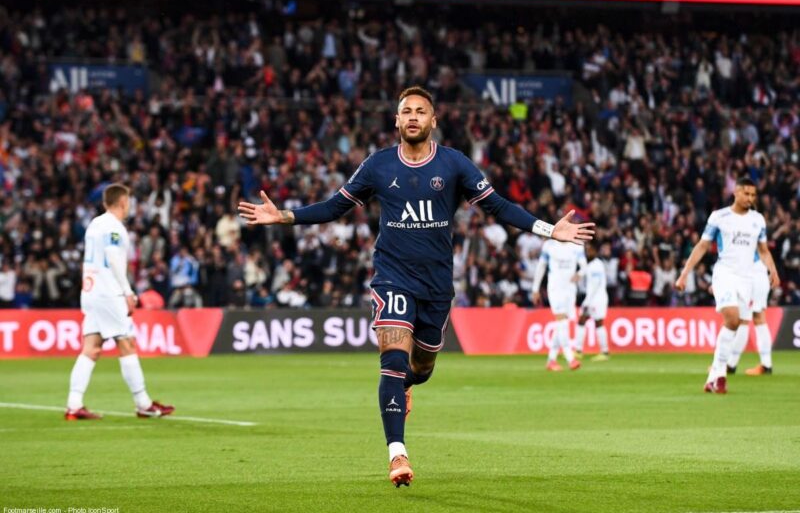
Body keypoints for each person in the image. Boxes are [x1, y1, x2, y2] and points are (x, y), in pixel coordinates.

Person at [238, 86, 595, 487]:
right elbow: (333, 207)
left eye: (420, 111)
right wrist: (283, 216)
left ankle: (406, 387)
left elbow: (499, 207)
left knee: (420, 370)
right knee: (392, 361)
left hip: (437, 286)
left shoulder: (455, 165)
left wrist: (549, 229)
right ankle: (397, 455)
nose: (412, 117)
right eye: (405, 111)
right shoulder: (378, 166)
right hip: (392, 278)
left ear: (432, 121)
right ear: (396, 120)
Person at [65, 184, 174, 420]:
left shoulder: (95, 224)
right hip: (108, 292)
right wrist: (127, 291)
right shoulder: (114, 227)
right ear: (124, 203)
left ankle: (74, 404)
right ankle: (143, 403)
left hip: (90, 291)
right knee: (127, 344)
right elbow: (114, 258)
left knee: (91, 348)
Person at [675, 177, 779, 394]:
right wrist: (684, 274)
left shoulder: (758, 220)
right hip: (725, 274)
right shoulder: (719, 217)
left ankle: (714, 375)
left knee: (734, 325)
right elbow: (703, 245)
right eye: (746, 193)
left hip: (747, 278)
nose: (750, 198)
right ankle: (721, 374)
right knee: (731, 318)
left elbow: (763, 250)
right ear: (736, 192)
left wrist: (773, 270)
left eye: (753, 195)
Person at [532, 237, 587, 371]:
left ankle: (551, 360)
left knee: (562, 324)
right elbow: (541, 267)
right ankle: (570, 358)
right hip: (555, 288)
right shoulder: (549, 245)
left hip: (570, 289)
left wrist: (579, 274)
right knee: (561, 321)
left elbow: (584, 266)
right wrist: (535, 289)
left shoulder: (577, 245)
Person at [726, 255, 774, 375]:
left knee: (743, 320)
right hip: (761, 273)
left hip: (750, 276)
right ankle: (766, 365)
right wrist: (773, 271)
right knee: (759, 318)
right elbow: (764, 250)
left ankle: (731, 365)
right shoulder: (759, 235)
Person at [574, 242, 611, 361]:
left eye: (590, 250)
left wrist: (587, 302)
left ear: (595, 251)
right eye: (586, 250)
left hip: (597, 299)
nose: (587, 252)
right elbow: (581, 274)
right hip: (593, 298)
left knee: (598, 323)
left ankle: (604, 352)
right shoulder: (590, 265)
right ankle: (578, 350)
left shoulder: (597, 265)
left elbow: (595, 285)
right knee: (582, 320)